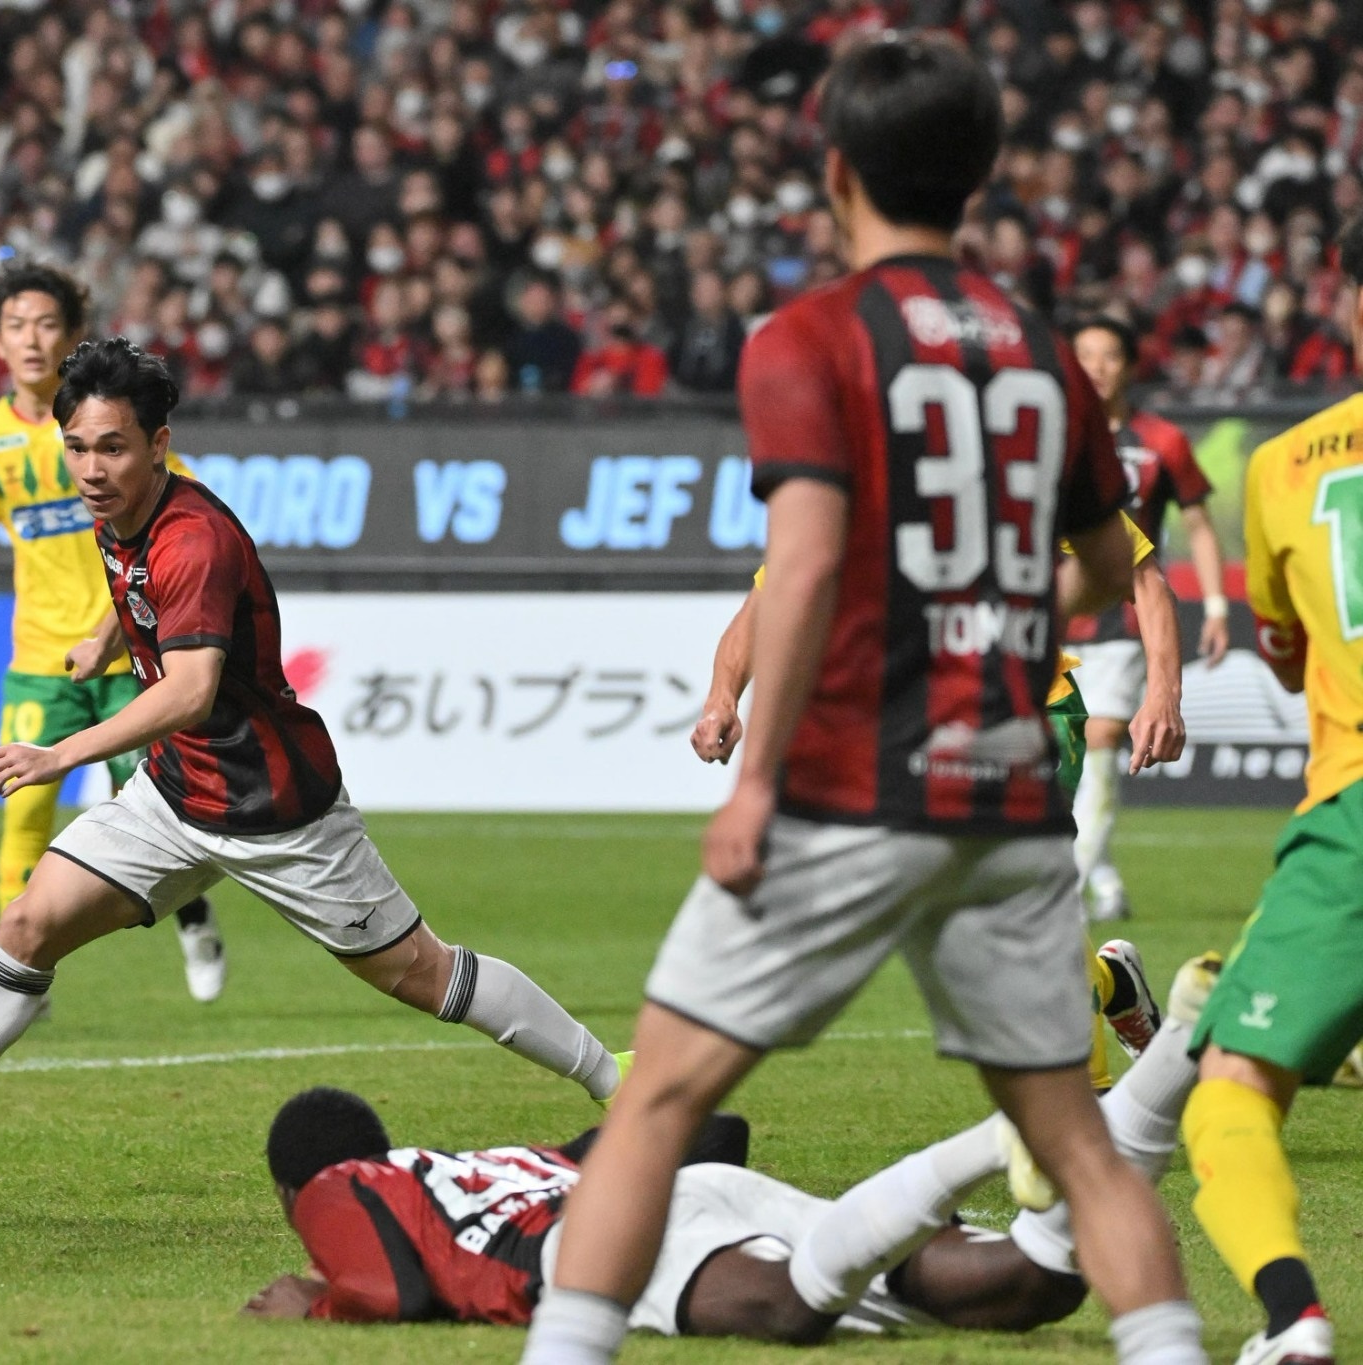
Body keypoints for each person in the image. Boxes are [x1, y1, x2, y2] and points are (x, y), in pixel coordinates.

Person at [523, 36, 1203, 1365]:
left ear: (835, 172)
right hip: (1004, 786)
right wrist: (1000, 609)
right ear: (979, 178)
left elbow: (802, 567)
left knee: (654, 1103)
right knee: (1075, 1140)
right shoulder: (1040, 355)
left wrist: (756, 781)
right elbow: (1106, 564)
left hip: (850, 784)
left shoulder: (810, 338)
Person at [0, 339, 623, 1194]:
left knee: (421, 971)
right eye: (77, 447)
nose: (91, 468)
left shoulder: (195, 538)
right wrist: (107, 636)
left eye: (113, 447)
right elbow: (144, 591)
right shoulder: (119, 511)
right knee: (28, 922)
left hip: (275, 807)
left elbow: (191, 690)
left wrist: (62, 753)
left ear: (159, 443)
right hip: (172, 792)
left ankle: (613, 1074)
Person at [252, 950, 1210, 1343]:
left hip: (601, 1243)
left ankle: (1000, 1137)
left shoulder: (340, 1184)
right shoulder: (496, 1161)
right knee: (1031, 1286)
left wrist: (318, 1299)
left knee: (791, 1309)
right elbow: (717, 1134)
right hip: (682, 1190)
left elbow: (396, 1291)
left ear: (299, 1188)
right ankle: (1177, 1053)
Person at [695, 507, 1180, 1088]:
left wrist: (1163, 694)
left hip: (1029, 710)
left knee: (1022, 883)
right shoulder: (850, 487)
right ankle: (1112, 985)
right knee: (976, 920)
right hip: (916, 729)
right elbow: (765, 603)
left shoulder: (1028, 464)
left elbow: (1141, 573)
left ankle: (1089, 1098)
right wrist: (722, 697)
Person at [0, 262, 227, 1005]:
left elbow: (181, 509)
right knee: (23, 811)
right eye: (16, 325)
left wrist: (124, 621)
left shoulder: (103, 428)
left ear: (73, 336)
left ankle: (194, 916)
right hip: (39, 660)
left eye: (47, 324)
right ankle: (17, 980)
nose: (31, 339)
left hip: (131, 659)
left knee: (157, 820)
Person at [1177, 216, 1363, 1365]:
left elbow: (1284, 655)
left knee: (1230, 1086)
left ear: (1345, 302)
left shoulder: (1285, 465)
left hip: (1353, 817)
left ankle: (1292, 1319)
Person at [1067, 315, 1230, 922]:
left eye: (1109, 355)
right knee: (1065, 756)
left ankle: (1071, 889)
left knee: (1102, 734)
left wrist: (1216, 605)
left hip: (1128, 615)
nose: (1096, 367)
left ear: (1131, 366)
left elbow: (1198, 526)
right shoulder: (1054, 436)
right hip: (1055, 616)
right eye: (1084, 354)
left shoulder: (1162, 440)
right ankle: (1103, 877)